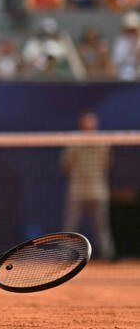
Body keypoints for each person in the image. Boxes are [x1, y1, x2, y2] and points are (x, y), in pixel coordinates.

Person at [62, 111, 115, 261]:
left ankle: (107, 256)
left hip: (98, 191)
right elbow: (66, 165)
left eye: (91, 122)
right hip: (77, 191)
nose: (89, 125)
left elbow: (106, 165)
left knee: (102, 228)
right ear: (81, 124)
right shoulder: (73, 142)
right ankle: (65, 256)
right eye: (86, 122)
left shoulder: (103, 142)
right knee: (70, 227)